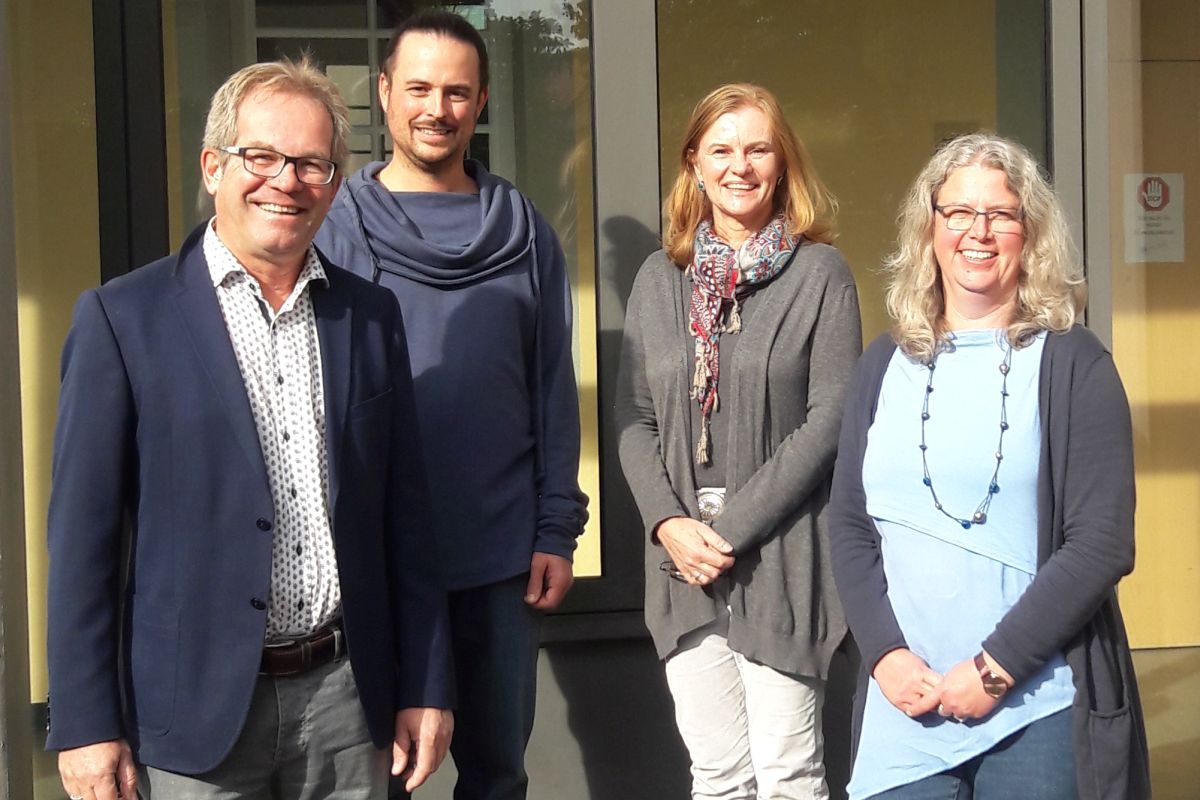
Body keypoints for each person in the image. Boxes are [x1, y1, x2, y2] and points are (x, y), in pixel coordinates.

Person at [45, 57, 454, 800]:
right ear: (213, 166)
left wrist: (427, 681)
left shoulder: (368, 317)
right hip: (195, 713)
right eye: (261, 156)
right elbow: (82, 542)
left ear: (333, 184)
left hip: (347, 700)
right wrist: (83, 723)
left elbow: (407, 520)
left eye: (312, 164)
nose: (286, 181)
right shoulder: (123, 320)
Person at [314, 10, 589, 800]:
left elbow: (549, 388)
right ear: (384, 92)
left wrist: (554, 527)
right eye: (420, 88)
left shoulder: (525, 231)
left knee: (498, 773)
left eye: (458, 91)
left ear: (483, 101)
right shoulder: (337, 228)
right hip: (373, 560)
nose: (437, 108)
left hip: (500, 557)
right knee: (378, 776)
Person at [829, 132, 1151, 799]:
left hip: (1036, 708)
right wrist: (884, 655)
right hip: (904, 711)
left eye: (1001, 214)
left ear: (1030, 234)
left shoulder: (1075, 365)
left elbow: (1100, 542)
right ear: (930, 226)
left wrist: (995, 668)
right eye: (959, 213)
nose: (979, 232)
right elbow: (851, 526)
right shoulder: (881, 366)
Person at [614, 83, 862, 800]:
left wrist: (729, 530)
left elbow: (831, 419)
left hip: (780, 563)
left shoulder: (821, 275)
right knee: (718, 776)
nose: (739, 165)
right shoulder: (659, 280)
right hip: (682, 570)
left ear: (783, 163)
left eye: (758, 148)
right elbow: (634, 418)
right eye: (721, 149)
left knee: (790, 776)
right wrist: (668, 523)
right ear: (694, 163)